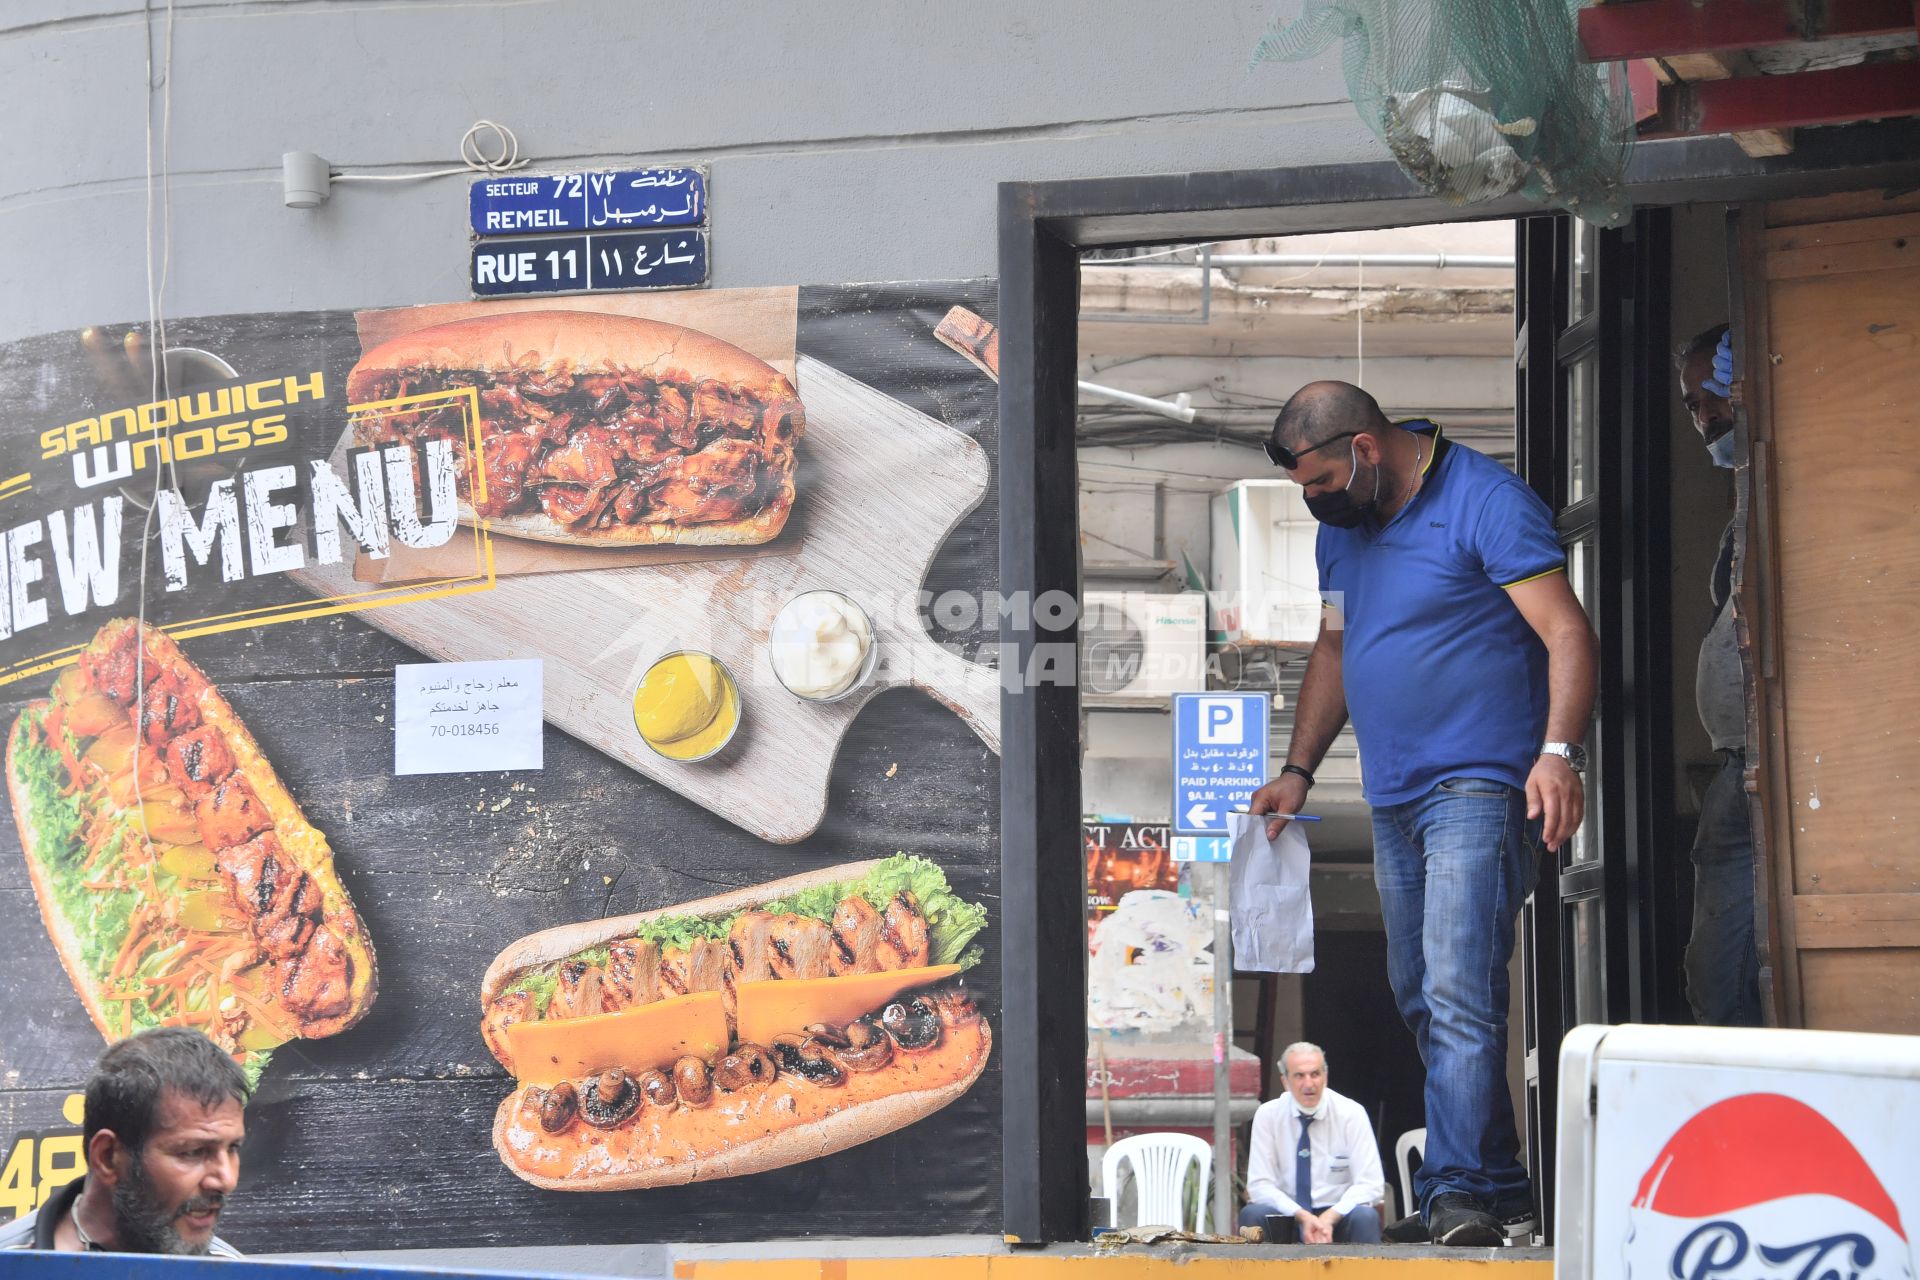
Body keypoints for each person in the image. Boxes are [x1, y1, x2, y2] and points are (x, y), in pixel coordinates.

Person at [1248, 382, 1597, 1247]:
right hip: (1394, 792)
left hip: (1479, 785)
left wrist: (1558, 754)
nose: (1313, 500)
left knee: (1457, 987)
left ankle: (1454, 1189)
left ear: (1366, 450)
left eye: (1320, 481)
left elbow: (1566, 632)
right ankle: (1501, 1188)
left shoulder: (1485, 501)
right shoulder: (1344, 533)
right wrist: (1298, 769)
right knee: (1421, 992)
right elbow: (1335, 646)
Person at [1676, 325, 1762, 1027]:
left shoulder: (1789, 479)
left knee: (1735, 972)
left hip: (1776, 769)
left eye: (1715, 393)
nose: (1704, 413)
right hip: (1738, 766)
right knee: (1717, 971)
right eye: (1692, 403)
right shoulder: (1744, 503)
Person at [0, 1027, 248, 1256]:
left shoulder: (236, 1271)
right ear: (108, 1157)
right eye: (194, 1152)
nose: (227, 1179)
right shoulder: (9, 1262)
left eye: (233, 1148)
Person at [1241, 1043, 1384, 1244]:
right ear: (1285, 1081)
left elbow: (1371, 1184)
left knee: (1366, 1217)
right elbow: (1259, 1186)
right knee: (1253, 1215)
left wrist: (1329, 1217)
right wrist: (1302, 1216)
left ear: (1325, 1076)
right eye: (1299, 1076)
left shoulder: (1351, 1113)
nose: (1309, 1084)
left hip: (1337, 1213)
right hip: (1287, 1213)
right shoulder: (1268, 1115)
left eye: (1315, 1074)